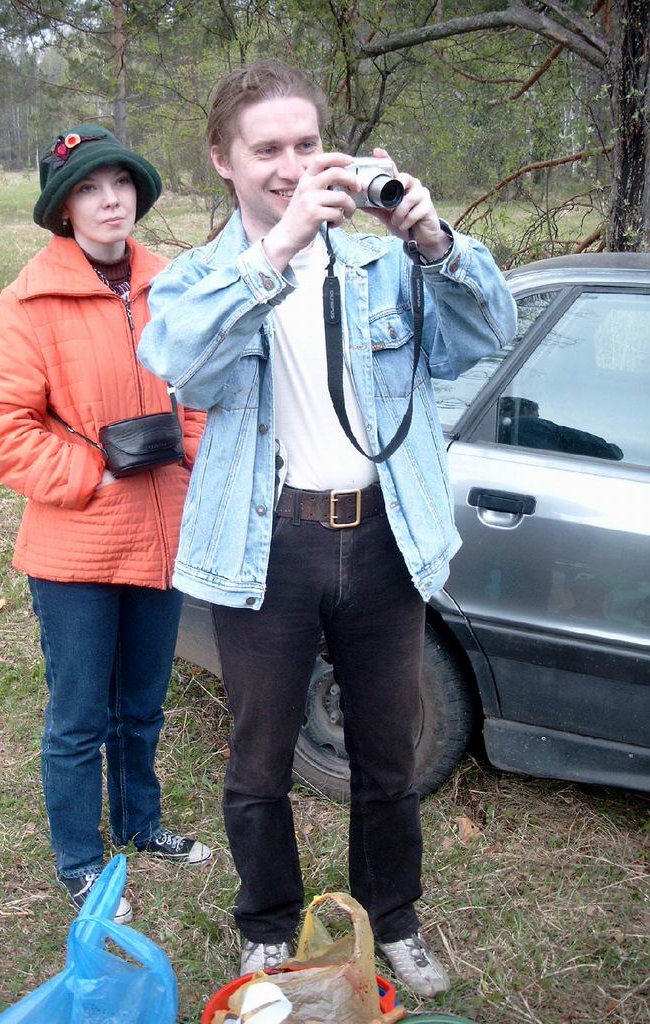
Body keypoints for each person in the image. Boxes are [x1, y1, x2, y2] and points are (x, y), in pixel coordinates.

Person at [139, 61, 517, 995]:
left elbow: (486, 336)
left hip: (384, 539)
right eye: (267, 149)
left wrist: (431, 239)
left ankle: (394, 919)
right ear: (223, 160)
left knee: (386, 754)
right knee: (260, 756)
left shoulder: (382, 264)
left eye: (306, 144)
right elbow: (178, 362)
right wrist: (277, 250)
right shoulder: (200, 278)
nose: (291, 166)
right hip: (269, 543)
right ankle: (267, 924)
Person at [0, 124, 210, 924]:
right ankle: (79, 859)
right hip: (75, 547)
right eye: (88, 187)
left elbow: (200, 389)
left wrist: (187, 456)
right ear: (63, 208)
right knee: (79, 717)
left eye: (120, 183)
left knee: (141, 705)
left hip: (163, 533)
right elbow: (4, 428)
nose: (110, 200)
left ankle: (140, 824)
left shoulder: (172, 284)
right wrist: (93, 474)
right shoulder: (30, 300)